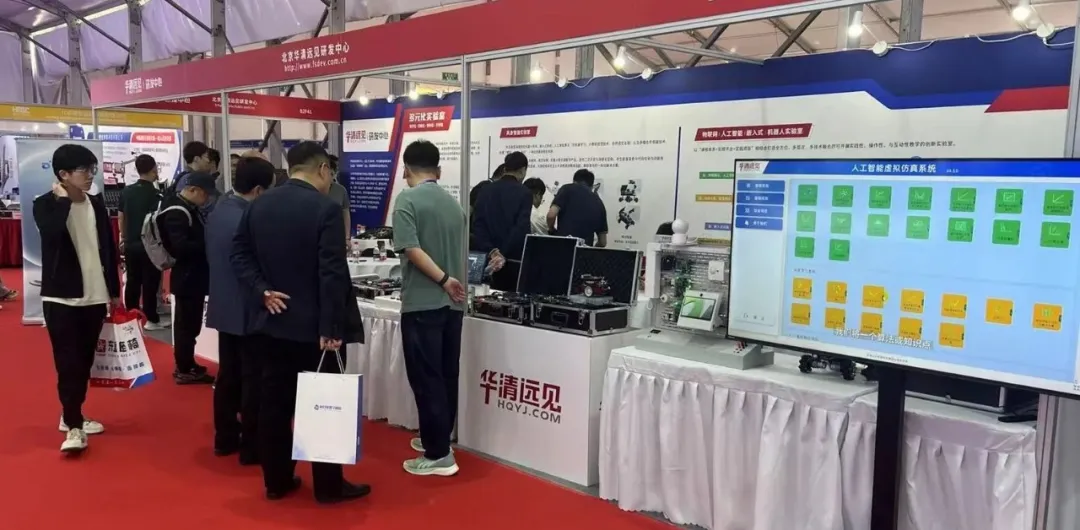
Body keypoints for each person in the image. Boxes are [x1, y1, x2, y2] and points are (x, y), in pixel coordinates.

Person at [231, 141, 370, 503]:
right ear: (323, 169)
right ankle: (328, 486)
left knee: (274, 405)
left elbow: (239, 254)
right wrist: (331, 327)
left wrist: (262, 291)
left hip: (272, 321)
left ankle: (276, 480)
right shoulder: (325, 209)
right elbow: (331, 273)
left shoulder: (259, 205)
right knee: (324, 406)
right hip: (315, 330)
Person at [33, 144, 121, 453]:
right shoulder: (45, 204)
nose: (90, 175)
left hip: (95, 296)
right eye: (84, 170)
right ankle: (73, 426)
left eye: (92, 169)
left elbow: (108, 247)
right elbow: (50, 235)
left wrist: (114, 290)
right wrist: (62, 201)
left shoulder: (96, 203)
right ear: (64, 174)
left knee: (84, 362)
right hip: (61, 298)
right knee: (67, 363)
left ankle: (72, 413)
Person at [392, 140, 467, 476]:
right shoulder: (453, 204)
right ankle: (437, 438)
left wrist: (443, 280)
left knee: (426, 378)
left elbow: (411, 248)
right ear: (438, 168)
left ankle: (439, 455)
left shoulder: (407, 199)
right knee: (446, 374)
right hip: (453, 305)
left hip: (424, 301)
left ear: (406, 169)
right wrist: (450, 282)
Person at [206, 156, 274, 465]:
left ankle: (225, 437)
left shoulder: (219, 210)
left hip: (225, 305)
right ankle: (251, 446)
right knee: (252, 380)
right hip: (250, 308)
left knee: (228, 375)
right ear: (259, 190)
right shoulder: (249, 219)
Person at [158, 172, 217, 385]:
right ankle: (184, 368)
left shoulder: (181, 206)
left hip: (190, 277)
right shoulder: (177, 212)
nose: (206, 200)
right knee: (186, 326)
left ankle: (188, 364)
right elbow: (180, 247)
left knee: (189, 325)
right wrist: (209, 244)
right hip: (187, 277)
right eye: (205, 195)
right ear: (193, 190)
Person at [118, 154, 166, 330]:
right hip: (150, 245)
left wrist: (124, 237)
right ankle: (151, 319)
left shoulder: (126, 192)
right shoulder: (157, 194)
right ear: (154, 169)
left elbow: (121, 217)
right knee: (150, 282)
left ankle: (131, 315)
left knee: (133, 280)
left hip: (131, 243)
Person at [471, 152, 532, 290]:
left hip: (486, 259)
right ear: (523, 170)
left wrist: (492, 251)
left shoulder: (485, 190)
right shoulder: (524, 193)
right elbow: (521, 228)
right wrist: (502, 254)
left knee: (484, 297)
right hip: (513, 261)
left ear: (505, 168)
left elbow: (478, 224)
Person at [547, 169, 608, 247]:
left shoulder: (566, 189)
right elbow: (602, 242)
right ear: (591, 186)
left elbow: (551, 215)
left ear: (574, 181)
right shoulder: (599, 202)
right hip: (583, 252)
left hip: (563, 247)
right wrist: (589, 249)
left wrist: (551, 230)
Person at [327, 155, 352, 244]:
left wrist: (347, 237)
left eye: (333, 174)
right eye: (330, 174)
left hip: (336, 236)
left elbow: (346, 213)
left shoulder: (340, 190)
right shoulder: (312, 190)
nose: (333, 177)